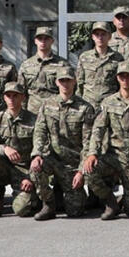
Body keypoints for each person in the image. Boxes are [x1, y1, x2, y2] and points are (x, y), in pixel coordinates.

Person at [83, 61, 129, 219]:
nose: (125, 79)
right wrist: (92, 153)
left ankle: (127, 200)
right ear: (117, 78)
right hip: (113, 156)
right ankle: (111, 202)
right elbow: (98, 130)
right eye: (122, 76)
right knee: (89, 170)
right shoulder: (108, 103)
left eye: (128, 76)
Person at [30, 68, 96, 220]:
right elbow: (40, 132)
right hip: (53, 159)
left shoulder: (85, 108)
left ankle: (73, 195)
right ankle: (49, 204)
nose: (65, 84)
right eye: (62, 80)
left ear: (74, 81)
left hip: (72, 164)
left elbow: (88, 142)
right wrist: (37, 155)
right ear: (56, 82)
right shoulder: (47, 105)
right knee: (35, 168)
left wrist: (81, 172)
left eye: (68, 80)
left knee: (75, 212)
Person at [0, 82, 40, 219]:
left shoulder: (34, 120)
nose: (11, 99)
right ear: (4, 98)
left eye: (15, 96)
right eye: (8, 96)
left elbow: (41, 151)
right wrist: (4, 148)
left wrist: (31, 178)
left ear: (22, 97)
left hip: (24, 172)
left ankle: (35, 198)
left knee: (22, 209)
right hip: (3, 168)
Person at [19, 26, 72, 115]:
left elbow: (71, 90)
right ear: (35, 41)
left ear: (52, 41)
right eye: (40, 39)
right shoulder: (26, 65)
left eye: (46, 39)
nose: (43, 41)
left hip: (55, 111)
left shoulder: (62, 64)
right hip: (33, 113)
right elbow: (21, 92)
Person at [77, 21, 125, 108]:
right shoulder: (85, 57)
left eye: (103, 34)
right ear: (92, 37)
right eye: (97, 35)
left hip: (110, 105)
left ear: (109, 36)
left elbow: (121, 84)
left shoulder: (118, 58)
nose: (100, 37)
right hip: (89, 104)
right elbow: (79, 83)